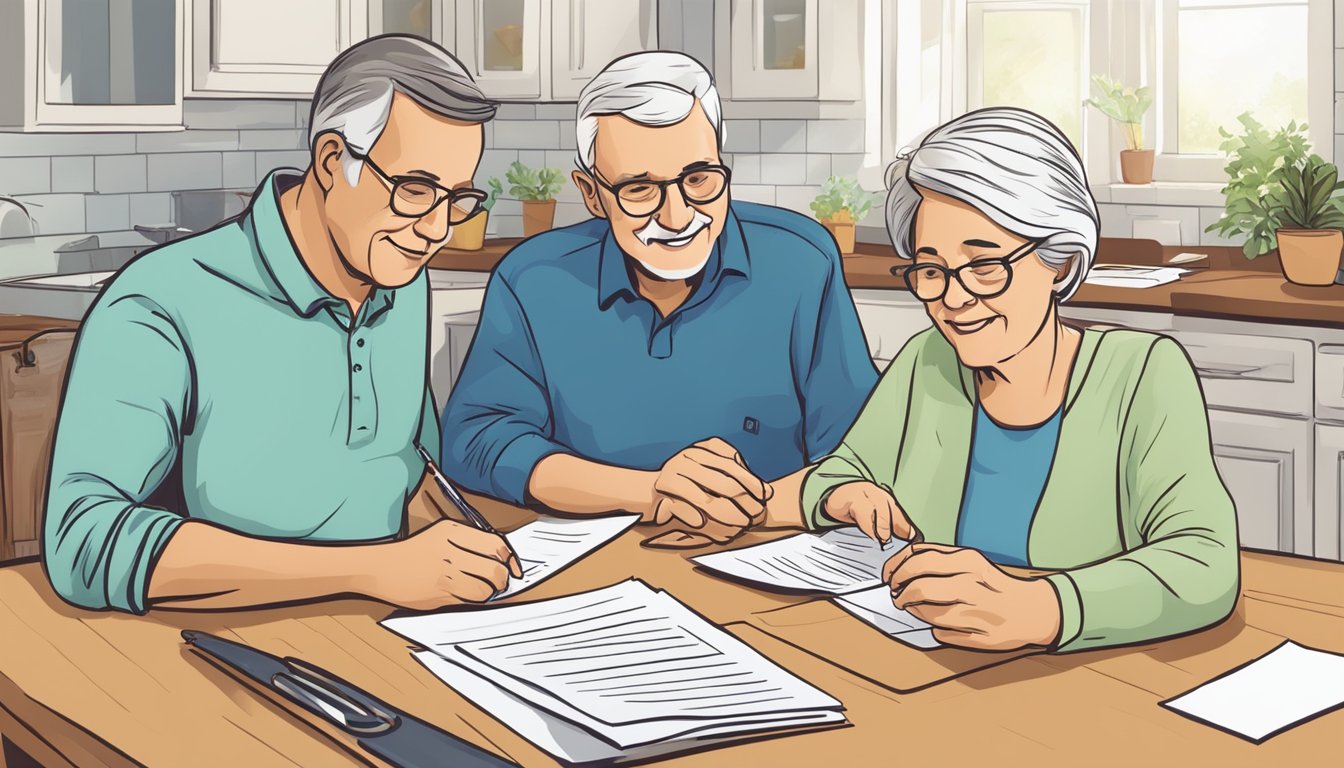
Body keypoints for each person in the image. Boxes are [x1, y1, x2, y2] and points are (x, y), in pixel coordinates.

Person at [43, 35, 523, 615]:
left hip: (385, 631)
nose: (436, 230)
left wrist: (460, 543)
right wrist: (372, 570)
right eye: (415, 191)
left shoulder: (401, 278)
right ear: (329, 162)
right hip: (218, 654)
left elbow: (404, 465)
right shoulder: (160, 302)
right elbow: (83, 542)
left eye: (458, 199)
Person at [799, 107, 1239, 653]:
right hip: (930, 667)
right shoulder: (927, 362)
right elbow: (840, 471)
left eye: (985, 267)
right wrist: (845, 493)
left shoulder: (1142, 374)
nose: (953, 300)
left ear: (1058, 261)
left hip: (1090, 679)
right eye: (931, 271)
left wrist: (1045, 609)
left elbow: (1205, 562)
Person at [441, 52, 876, 543]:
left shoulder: (802, 260)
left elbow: (860, 450)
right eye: (640, 189)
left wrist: (756, 508)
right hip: (591, 566)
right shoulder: (532, 278)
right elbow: (475, 443)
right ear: (590, 193)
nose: (676, 216)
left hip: (767, 558)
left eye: (698, 180)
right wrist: (648, 492)